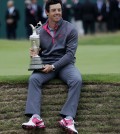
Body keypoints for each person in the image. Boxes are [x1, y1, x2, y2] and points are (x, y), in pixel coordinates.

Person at [22, 0, 82, 134]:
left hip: (65, 65)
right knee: (34, 79)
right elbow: (37, 52)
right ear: (47, 12)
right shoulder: (38, 31)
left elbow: (70, 55)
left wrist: (53, 66)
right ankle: (35, 117)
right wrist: (34, 54)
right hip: (46, 64)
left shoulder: (70, 29)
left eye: (59, 10)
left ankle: (68, 118)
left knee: (76, 79)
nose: (57, 13)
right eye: (54, 10)